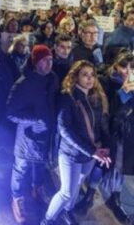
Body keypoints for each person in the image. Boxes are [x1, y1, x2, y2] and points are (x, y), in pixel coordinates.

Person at [41, 60, 111, 225]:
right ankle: (47, 220)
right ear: (75, 77)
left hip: (91, 154)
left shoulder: (95, 97)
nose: (89, 78)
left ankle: (67, 211)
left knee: (78, 184)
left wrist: (105, 146)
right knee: (66, 192)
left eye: (92, 75)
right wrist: (91, 151)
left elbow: (101, 123)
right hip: (71, 154)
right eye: (84, 74)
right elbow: (65, 129)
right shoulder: (68, 97)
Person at [7, 45, 59, 224]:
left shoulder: (53, 79)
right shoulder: (23, 83)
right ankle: (17, 198)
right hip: (27, 138)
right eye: (44, 60)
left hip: (46, 135)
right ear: (35, 62)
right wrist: (35, 119)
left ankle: (37, 188)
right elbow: (11, 112)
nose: (48, 63)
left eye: (50, 59)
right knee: (20, 168)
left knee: (39, 164)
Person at [98, 52, 134, 223]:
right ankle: (108, 198)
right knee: (112, 168)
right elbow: (110, 114)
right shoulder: (107, 82)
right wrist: (123, 94)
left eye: (131, 67)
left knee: (120, 168)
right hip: (113, 134)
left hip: (128, 134)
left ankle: (115, 196)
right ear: (116, 66)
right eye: (124, 66)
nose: (127, 71)